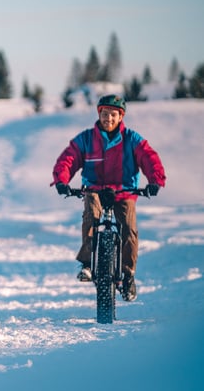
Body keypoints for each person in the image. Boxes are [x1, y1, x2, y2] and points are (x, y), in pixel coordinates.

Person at [51, 94, 166, 302]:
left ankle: (128, 275)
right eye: (105, 114)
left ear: (121, 117)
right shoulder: (86, 139)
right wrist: (61, 180)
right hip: (94, 189)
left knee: (128, 228)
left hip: (124, 191)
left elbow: (149, 158)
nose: (109, 119)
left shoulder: (132, 139)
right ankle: (87, 264)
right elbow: (68, 158)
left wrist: (155, 180)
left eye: (113, 115)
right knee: (91, 216)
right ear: (99, 114)